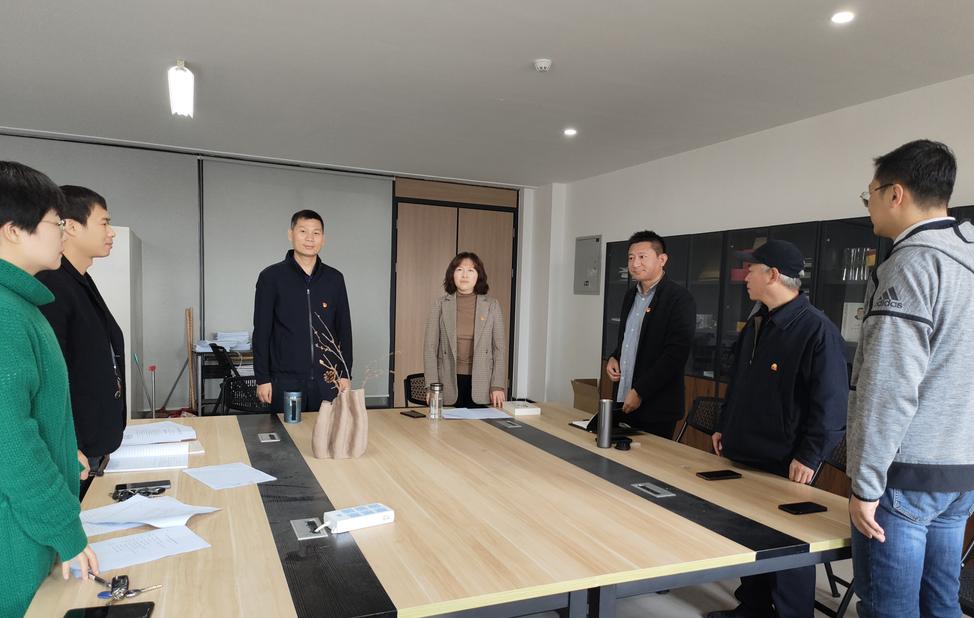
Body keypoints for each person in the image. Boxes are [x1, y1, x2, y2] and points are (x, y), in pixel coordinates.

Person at [847, 139, 974, 618]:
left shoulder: (912, 264)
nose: (869, 206)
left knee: (889, 609)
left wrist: (866, 486)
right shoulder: (965, 260)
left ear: (895, 194)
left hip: (904, 475)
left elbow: (888, 387)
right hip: (960, 472)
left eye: (871, 195)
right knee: (941, 605)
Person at [709, 240, 847, 618]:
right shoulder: (759, 321)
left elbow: (832, 405)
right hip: (746, 450)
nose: (744, 277)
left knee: (788, 546)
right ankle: (752, 608)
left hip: (787, 459)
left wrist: (810, 456)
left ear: (772, 275)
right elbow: (739, 381)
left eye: (750, 270)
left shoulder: (816, 330)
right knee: (749, 535)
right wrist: (725, 424)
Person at [0, 161, 98, 615]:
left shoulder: (22, 304)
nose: (63, 233)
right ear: (12, 231)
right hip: (17, 542)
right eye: (56, 223)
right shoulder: (5, 314)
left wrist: (64, 449)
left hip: (30, 527)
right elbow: (11, 443)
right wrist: (64, 529)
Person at [37, 186, 125, 489]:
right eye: (104, 223)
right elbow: (49, 375)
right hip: (75, 452)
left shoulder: (80, 279)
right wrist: (67, 444)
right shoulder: (52, 284)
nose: (111, 232)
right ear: (72, 226)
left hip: (93, 443)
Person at [254, 209, 352, 413]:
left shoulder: (334, 279)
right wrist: (262, 378)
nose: (310, 238)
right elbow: (262, 332)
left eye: (316, 233)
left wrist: (345, 373)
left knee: (328, 432)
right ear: (291, 234)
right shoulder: (271, 277)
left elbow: (344, 330)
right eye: (303, 231)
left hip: (328, 380)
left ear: (323, 238)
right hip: (285, 381)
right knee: (288, 432)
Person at [605, 230, 695, 438]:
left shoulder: (679, 298)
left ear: (662, 260)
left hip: (656, 406)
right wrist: (614, 357)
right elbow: (630, 338)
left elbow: (675, 354)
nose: (635, 264)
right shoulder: (630, 295)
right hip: (624, 397)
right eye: (631, 258)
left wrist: (640, 391)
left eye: (642, 257)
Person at [424, 252, 507, 407]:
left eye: (471, 270)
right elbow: (430, 348)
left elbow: (499, 348)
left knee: (481, 423)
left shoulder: (492, 305)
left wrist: (497, 385)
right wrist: (432, 387)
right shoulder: (440, 305)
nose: (464, 275)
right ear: (452, 274)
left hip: (483, 383)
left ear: (478, 275)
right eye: (459, 270)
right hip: (448, 381)